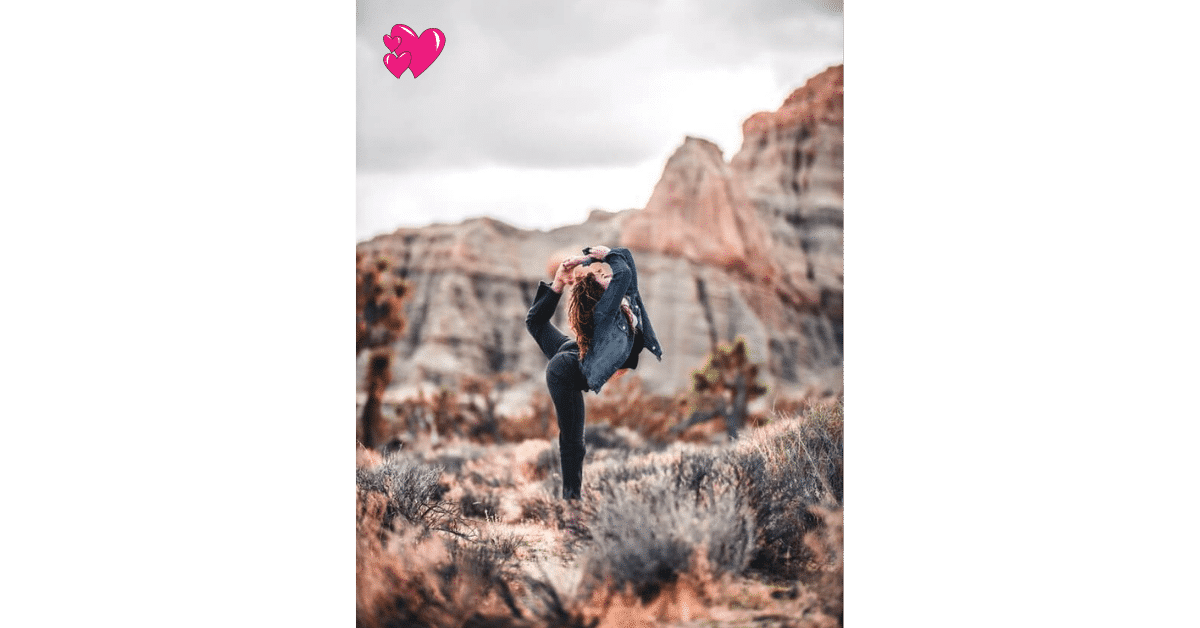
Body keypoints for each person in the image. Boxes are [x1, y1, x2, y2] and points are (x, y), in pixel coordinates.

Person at [526, 245, 662, 500]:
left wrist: (560, 280)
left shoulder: (626, 304)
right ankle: (571, 504)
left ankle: (571, 500)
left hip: (576, 351)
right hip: (566, 371)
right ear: (600, 293)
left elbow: (627, 270)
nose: (606, 274)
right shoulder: (605, 312)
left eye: (604, 272)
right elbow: (621, 273)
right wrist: (606, 255)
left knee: (536, 324)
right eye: (601, 276)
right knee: (573, 441)